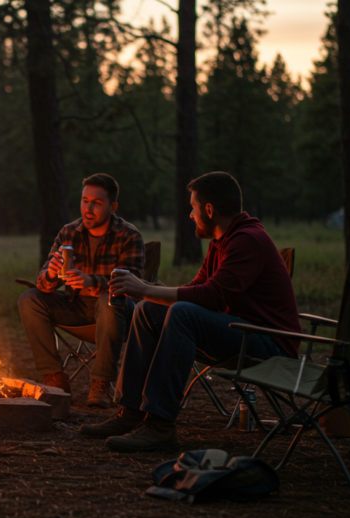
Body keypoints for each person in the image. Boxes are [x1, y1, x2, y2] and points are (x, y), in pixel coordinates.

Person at [80, 171, 301, 452]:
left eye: (193, 207)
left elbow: (210, 297)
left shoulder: (247, 240)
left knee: (182, 312)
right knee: (149, 310)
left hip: (269, 345)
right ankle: (131, 412)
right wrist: (148, 292)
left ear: (209, 210)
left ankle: (160, 425)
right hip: (241, 332)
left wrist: (143, 288)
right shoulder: (222, 241)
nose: (190, 215)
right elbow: (197, 287)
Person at [17, 173, 145, 408]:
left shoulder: (128, 235)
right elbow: (43, 284)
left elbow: (133, 284)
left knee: (110, 298)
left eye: (96, 202)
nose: (88, 208)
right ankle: (54, 379)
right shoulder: (69, 232)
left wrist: (91, 282)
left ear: (112, 206)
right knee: (29, 299)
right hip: (76, 308)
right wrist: (52, 275)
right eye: (85, 200)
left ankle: (101, 383)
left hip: (118, 313)